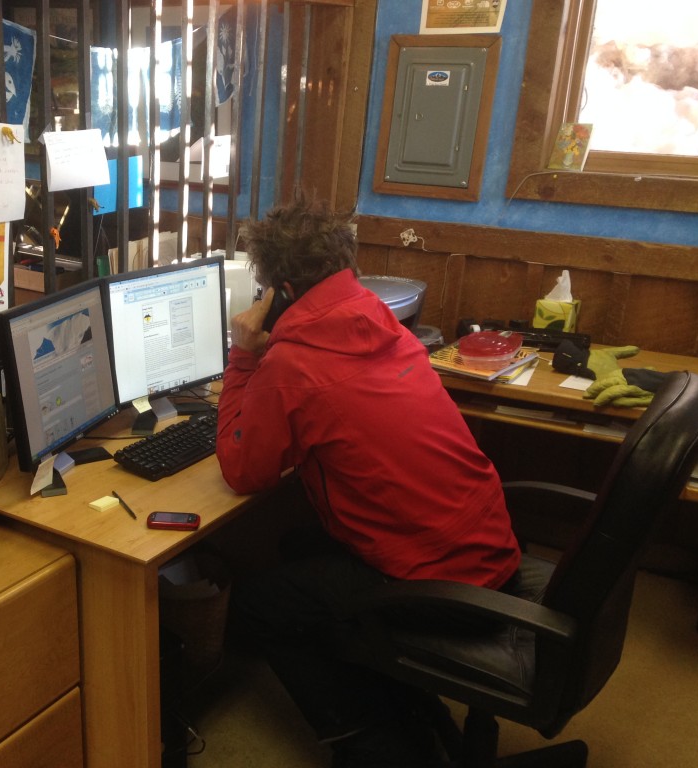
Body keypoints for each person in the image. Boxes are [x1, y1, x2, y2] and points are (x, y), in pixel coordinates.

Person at [215, 194, 521, 767]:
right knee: (296, 546)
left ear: (278, 291)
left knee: (258, 605)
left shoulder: (292, 363)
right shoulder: (383, 319)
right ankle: (392, 695)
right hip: (489, 548)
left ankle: (375, 745)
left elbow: (241, 472)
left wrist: (243, 355)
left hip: (440, 587)